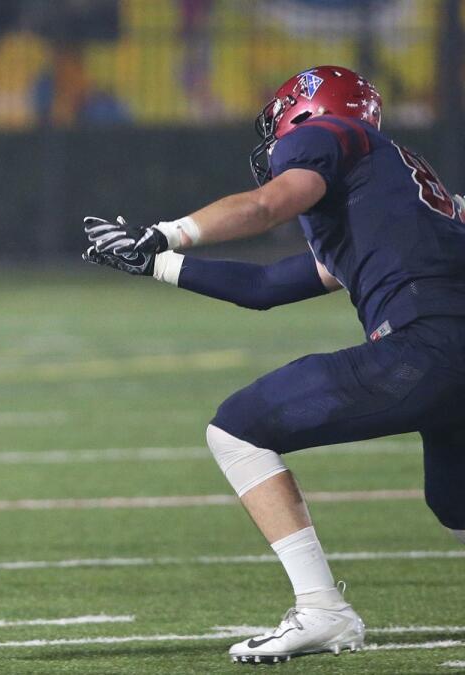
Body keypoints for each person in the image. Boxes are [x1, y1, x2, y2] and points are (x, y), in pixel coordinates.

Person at [82, 65, 465, 664]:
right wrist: (153, 263)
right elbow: (267, 285)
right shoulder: (393, 180)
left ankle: (322, 610)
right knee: (456, 504)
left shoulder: (328, 137)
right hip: (450, 349)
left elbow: (266, 207)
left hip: (424, 346)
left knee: (238, 428)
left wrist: (168, 234)